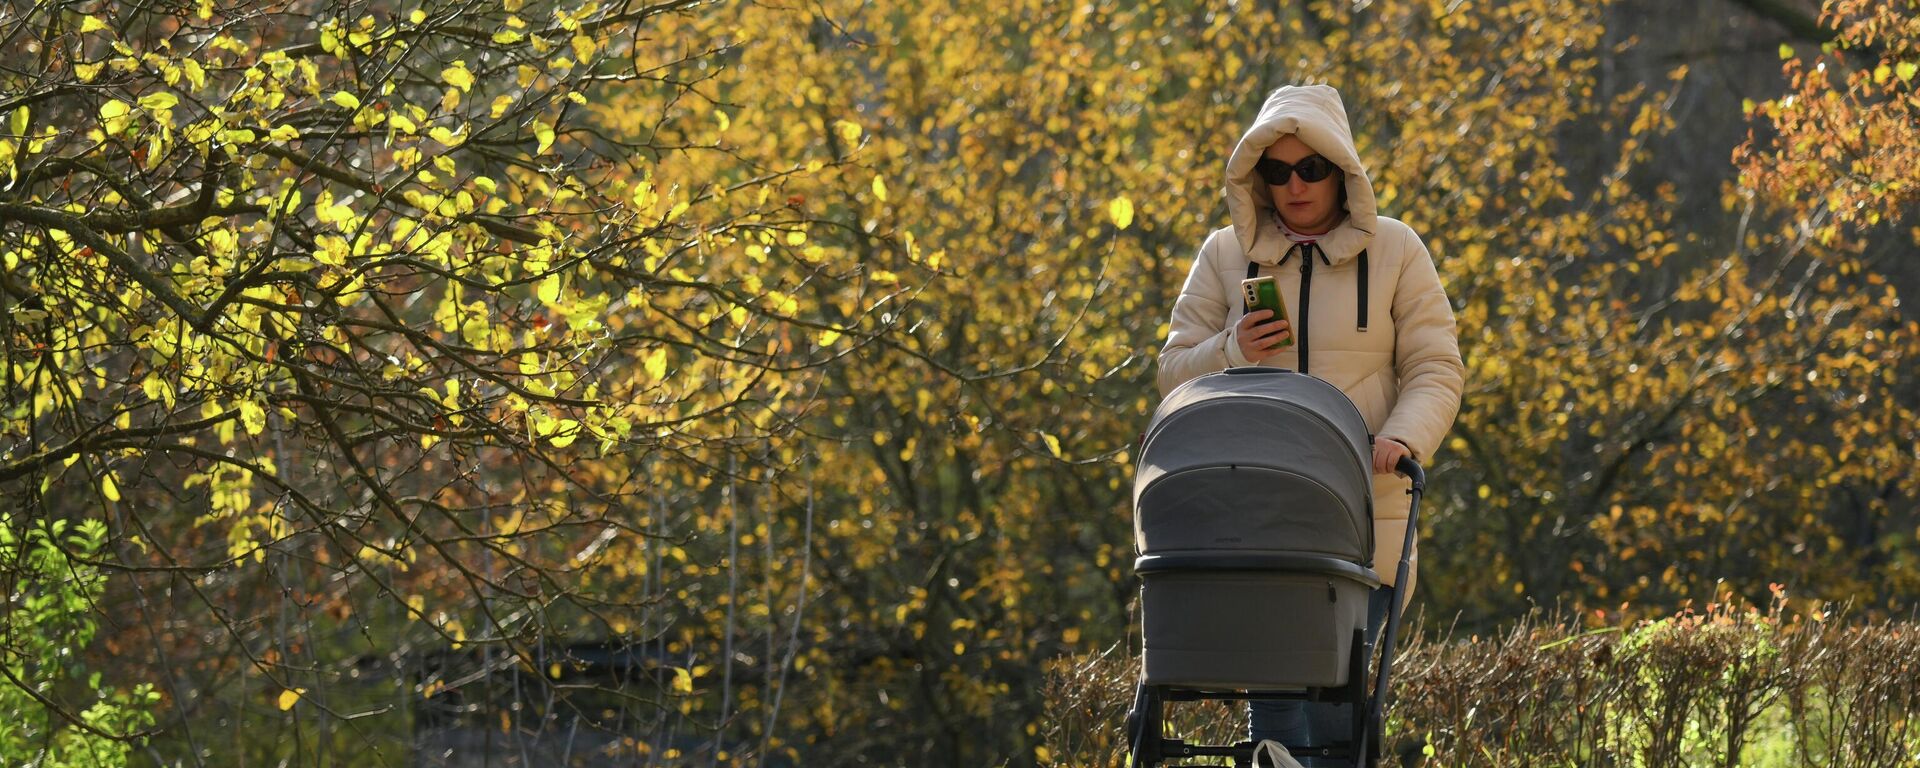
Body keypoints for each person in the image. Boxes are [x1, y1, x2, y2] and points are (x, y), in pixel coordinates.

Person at [1155, 84, 1465, 762]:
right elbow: (1172, 374)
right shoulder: (1222, 256)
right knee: (1278, 685)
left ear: (1341, 170)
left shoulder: (1396, 251)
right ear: (1257, 176)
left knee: (1334, 707)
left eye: (1312, 168)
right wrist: (1231, 348)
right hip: (1251, 518)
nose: (1295, 185)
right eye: (1278, 170)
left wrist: (1404, 438)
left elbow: (1436, 366)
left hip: (1362, 515)